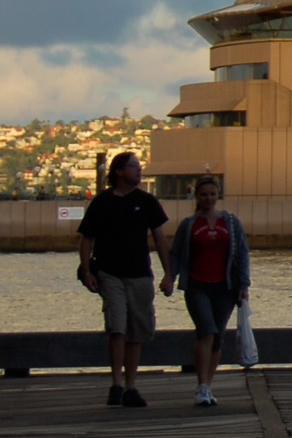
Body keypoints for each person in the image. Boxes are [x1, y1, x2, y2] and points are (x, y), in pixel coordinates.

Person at [77, 152, 170, 407]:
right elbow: (86, 238)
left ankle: (131, 385)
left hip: (140, 273)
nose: (139, 171)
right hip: (110, 273)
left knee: (136, 331)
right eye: (133, 167)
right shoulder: (102, 202)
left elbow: (160, 238)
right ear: (119, 171)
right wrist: (86, 271)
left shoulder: (147, 201)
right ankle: (116, 383)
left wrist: (168, 273)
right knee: (116, 327)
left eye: (139, 167)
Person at [164, 175, 251, 409]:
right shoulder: (189, 224)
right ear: (197, 197)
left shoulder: (231, 223)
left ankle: (208, 385)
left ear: (218, 195)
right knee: (206, 331)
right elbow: (176, 254)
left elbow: (242, 254)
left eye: (212, 194)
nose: (208, 199)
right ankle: (201, 385)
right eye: (204, 195)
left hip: (225, 288)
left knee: (217, 337)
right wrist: (170, 277)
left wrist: (244, 285)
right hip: (196, 285)